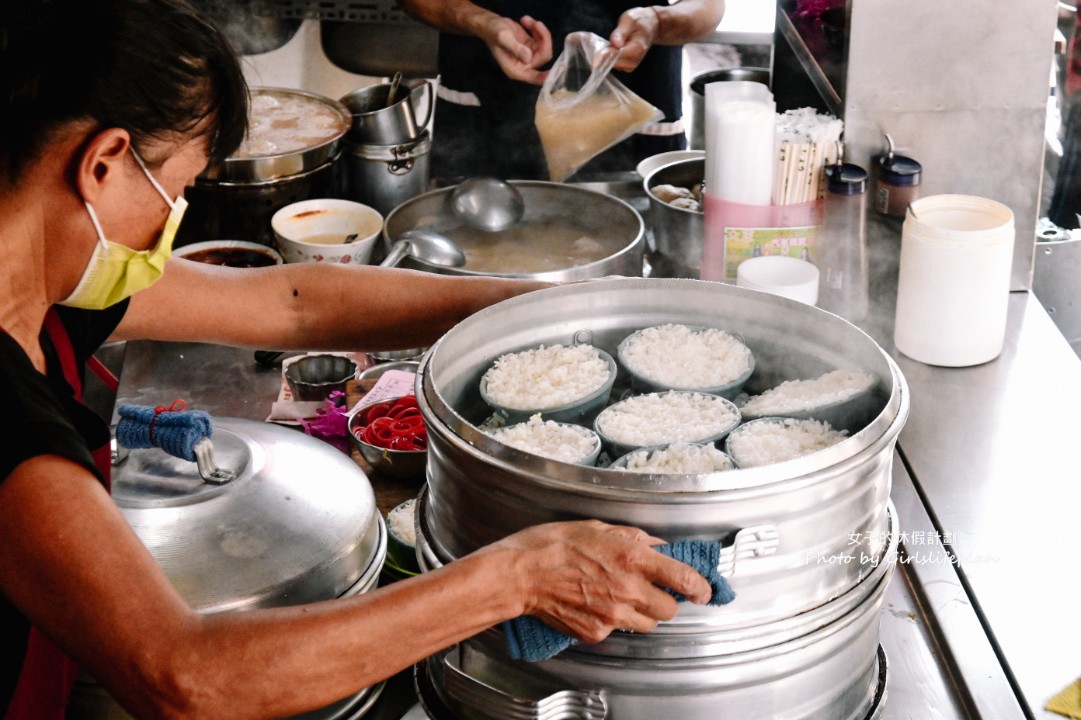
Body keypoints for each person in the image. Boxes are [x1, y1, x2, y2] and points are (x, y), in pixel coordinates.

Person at [0, 1, 713, 718]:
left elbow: (293, 303)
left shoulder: (54, 280)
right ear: (102, 163)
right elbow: (184, 676)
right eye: (179, 189)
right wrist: (521, 578)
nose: (175, 213)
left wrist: (542, 308)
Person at [397, 0, 726, 182]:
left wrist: (657, 21)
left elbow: (708, 7)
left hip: (635, 112)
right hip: (480, 108)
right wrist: (482, 23)